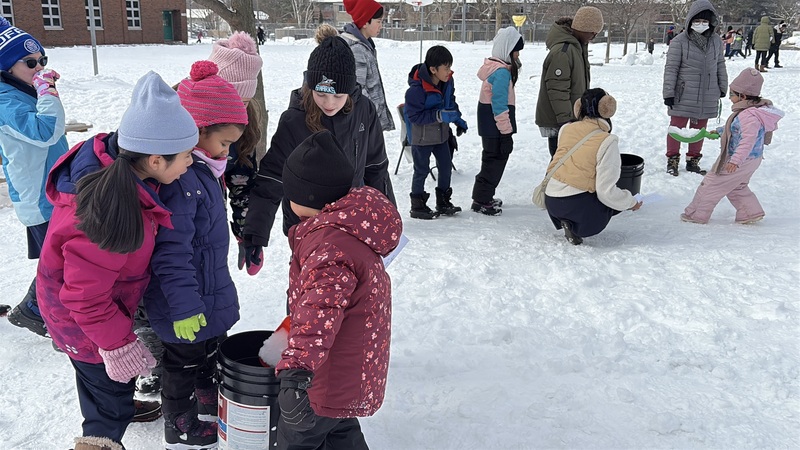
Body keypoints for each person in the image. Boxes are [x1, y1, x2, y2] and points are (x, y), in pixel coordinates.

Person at [36, 71, 198, 450]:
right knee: (105, 396)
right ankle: (101, 436)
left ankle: (118, 403)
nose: (191, 164)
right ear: (156, 160)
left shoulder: (123, 168)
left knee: (100, 381)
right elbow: (85, 298)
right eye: (187, 156)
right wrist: (118, 345)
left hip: (82, 307)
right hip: (80, 317)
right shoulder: (111, 213)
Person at [275, 129, 402, 450]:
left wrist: (295, 372)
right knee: (339, 429)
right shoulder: (348, 228)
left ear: (304, 198)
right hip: (346, 370)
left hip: (323, 377)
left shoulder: (328, 247)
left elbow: (319, 314)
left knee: (298, 439)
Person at [144, 61, 245, 450]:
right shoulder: (181, 179)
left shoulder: (202, 171)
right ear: (197, 132)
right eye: (224, 143)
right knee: (182, 361)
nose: (228, 151)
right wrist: (185, 307)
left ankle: (206, 398)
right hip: (183, 299)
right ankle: (179, 424)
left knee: (209, 349)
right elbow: (171, 253)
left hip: (206, 288)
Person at [243, 36, 395, 267]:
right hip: (307, 225)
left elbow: (376, 168)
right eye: (321, 94)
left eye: (338, 95)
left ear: (351, 89)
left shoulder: (364, 110)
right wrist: (255, 232)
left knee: (354, 288)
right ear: (311, 85)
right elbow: (273, 175)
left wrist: (386, 221)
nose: (330, 103)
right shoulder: (295, 119)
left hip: (352, 221)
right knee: (313, 290)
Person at [0, 17, 69, 338]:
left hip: (55, 190)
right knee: (63, 263)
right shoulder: (6, 101)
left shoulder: (24, 90)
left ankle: (36, 309)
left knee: (62, 259)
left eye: (43, 60)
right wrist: (48, 92)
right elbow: (44, 131)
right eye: (30, 62)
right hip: (39, 198)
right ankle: (43, 315)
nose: (39, 67)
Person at [682, 68, 783, 225]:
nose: (730, 98)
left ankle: (696, 215)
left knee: (711, 184)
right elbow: (737, 129)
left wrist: (735, 160)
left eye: (732, 94)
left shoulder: (749, 115)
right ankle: (749, 213)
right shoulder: (752, 110)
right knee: (737, 186)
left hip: (741, 159)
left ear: (743, 95)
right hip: (751, 159)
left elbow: (747, 139)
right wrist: (721, 131)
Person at [544, 88, 641, 245]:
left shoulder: (566, 129)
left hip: (552, 202)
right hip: (577, 205)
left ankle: (567, 221)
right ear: (607, 110)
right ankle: (580, 226)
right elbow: (606, 192)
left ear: (578, 107)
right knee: (610, 200)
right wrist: (630, 202)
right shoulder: (607, 141)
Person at [206, 31, 265, 274]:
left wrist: (247, 232)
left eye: (243, 103)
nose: (237, 112)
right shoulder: (178, 113)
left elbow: (243, 183)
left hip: (211, 227)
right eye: (232, 100)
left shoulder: (245, 125)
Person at [662, 0, 727, 177]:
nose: (701, 24)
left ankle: (693, 161)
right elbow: (671, 68)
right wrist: (669, 92)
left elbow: (720, 64)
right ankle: (672, 160)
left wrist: (722, 85)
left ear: (711, 21)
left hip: (707, 93)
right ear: (690, 21)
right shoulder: (679, 41)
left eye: (705, 21)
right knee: (677, 128)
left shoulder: (715, 41)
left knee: (699, 130)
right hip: (683, 94)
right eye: (697, 21)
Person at [404, 45, 467, 219]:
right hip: (422, 138)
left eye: (450, 67)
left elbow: (450, 103)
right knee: (421, 171)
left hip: (441, 136)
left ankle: (443, 202)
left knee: (445, 167)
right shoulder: (416, 90)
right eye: (446, 68)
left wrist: (458, 121)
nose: (449, 71)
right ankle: (418, 206)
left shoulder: (447, 82)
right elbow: (414, 116)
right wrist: (438, 115)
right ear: (433, 69)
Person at [535, 6, 605, 158]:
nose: (593, 37)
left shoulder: (576, 48)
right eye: (592, 33)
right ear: (582, 28)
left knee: (568, 163)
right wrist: (567, 121)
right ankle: (551, 182)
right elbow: (557, 89)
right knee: (562, 163)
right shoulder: (563, 51)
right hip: (560, 121)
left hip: (571, 118)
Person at [471, 27, 524, 216]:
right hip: (496, 126)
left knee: (491, 159)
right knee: (495, 160)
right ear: (507, 50)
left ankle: (483, 195)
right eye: (516, 50)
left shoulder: (496, 68)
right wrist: (506, 131)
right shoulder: (501, 72)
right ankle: (482, 200)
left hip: (490, 125)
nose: (518, 55)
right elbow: (499, 105)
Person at [340, 0, 395, 132]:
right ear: (365, 22)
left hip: (368, 120)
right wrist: (373, 112)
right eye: (378, 21)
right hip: (364, 122)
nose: (381, 26)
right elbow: (358, 89)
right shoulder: (356, 50)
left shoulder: (365, 45)